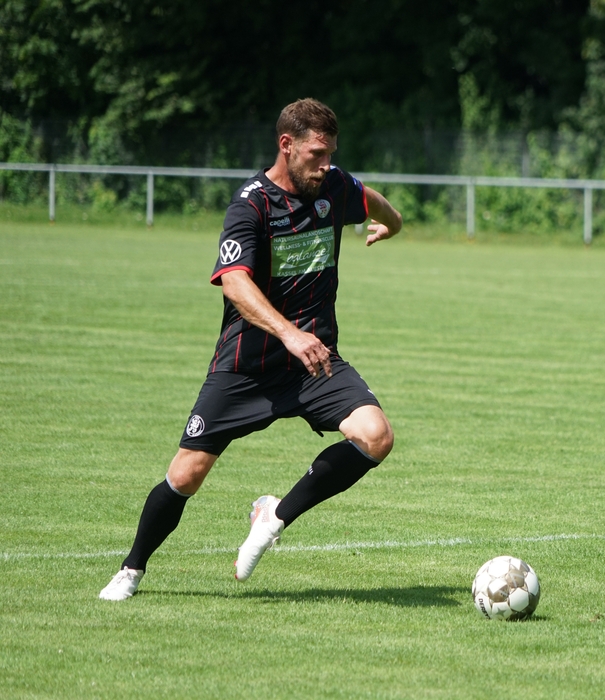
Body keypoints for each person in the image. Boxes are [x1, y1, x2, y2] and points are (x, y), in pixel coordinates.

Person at [99, 98, 403, 600]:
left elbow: (367, 197)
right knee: (186, 475)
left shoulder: (332, 186)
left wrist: (394, 222)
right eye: (316, 153)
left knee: (376, 436)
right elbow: (234, 282)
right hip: (246, 367)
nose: (325, 164)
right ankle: (131, 570)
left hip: (312, 362)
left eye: (331, 153)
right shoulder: (252, 205)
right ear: (287, 145)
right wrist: (288, 333)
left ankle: (273, 517)